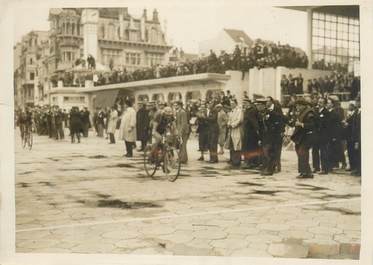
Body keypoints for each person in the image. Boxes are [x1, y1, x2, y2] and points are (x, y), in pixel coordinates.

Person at [291, 99, 316, 178]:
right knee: (300, 153)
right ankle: (306, 172)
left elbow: (312, 125)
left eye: (298, 106)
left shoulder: (309, 113)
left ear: (303, 105)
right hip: (301, 137)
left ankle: (305, 172)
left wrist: (301, 124)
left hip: (307, 136)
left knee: (303, 153)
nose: (297, 107)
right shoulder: (302, 112)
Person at [260, 97, 283, 175]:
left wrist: (282, 131)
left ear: (271, 102)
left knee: (275, 151)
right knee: (269, 151)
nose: (266, 102)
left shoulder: (277, 108)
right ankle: (270, 168)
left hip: (276, 133)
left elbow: (281, 120)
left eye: (268, 101)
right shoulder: (266, 110)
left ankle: (275, 167)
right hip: (268, 133)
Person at [227, 99, 243, 167]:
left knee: (237, 145)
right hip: (231, 130)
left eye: (233, 103)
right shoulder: (231, 111)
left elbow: (239, 120)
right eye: (231, 103)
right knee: (232, 145)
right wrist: (228, 124)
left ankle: (237, 161)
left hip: (237, 129)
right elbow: (229, 119)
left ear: (236, 103)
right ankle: (232, 159)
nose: (231, 105)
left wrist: (232, 125)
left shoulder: (239, 111)